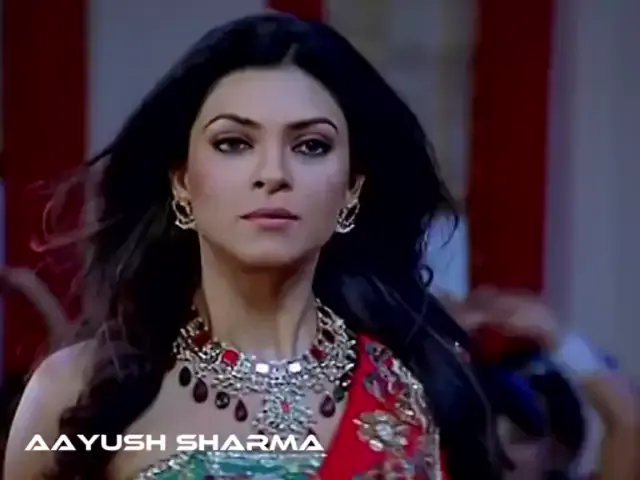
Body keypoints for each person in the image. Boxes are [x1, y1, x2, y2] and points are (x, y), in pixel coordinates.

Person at [5, 13, 544, 480]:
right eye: (234, 143)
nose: (273, 173)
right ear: (182, 183)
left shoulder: (425, 386)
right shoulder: (77, 393)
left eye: (310, 146)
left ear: (351, 190)